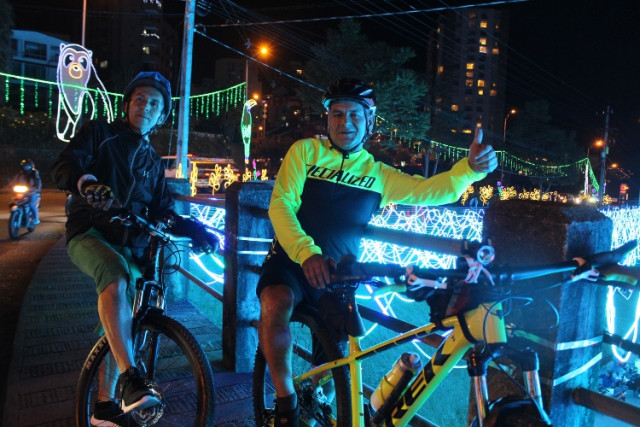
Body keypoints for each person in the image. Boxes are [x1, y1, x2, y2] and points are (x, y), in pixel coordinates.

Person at [256, 78, 498, 426]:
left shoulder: (377, 174)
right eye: (336, 114)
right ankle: (286, 401)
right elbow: (281, 205)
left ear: (369, 122)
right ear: (327, 120)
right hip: (293, 260)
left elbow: (429, 191)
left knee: (333, 359)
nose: (344, 122)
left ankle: (314, 395)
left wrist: (469, 169)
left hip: (340, 273)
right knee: (275, 303)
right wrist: (306, 253)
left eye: (354, 114)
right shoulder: (305, 151)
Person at [51, 71, 218, 426]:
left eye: (154, 103)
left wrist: (197, 229)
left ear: (161, 116)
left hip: (135, 247)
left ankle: (104, 408)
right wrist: (88, 184)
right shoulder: (100, 133)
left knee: (127, 321)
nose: (146, 105)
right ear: (127, 104)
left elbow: (164, 211)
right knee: (114, 277)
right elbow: (66, 165)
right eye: (140, 98)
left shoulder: (153, 162)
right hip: (90, 233)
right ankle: (130, 379)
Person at [9, 159, 42, 224]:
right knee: (12, 202)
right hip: (22, 193)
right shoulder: (20, 174)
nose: (26, 168)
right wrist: (9, 187)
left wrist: (36, 189)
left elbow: (38, 182)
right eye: (25, 166)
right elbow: (13, 181)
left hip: (33, 193)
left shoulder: (35, 174)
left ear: (31, 166)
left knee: (31, 204)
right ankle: (15, 216)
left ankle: (36, 218)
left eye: (28, 166)